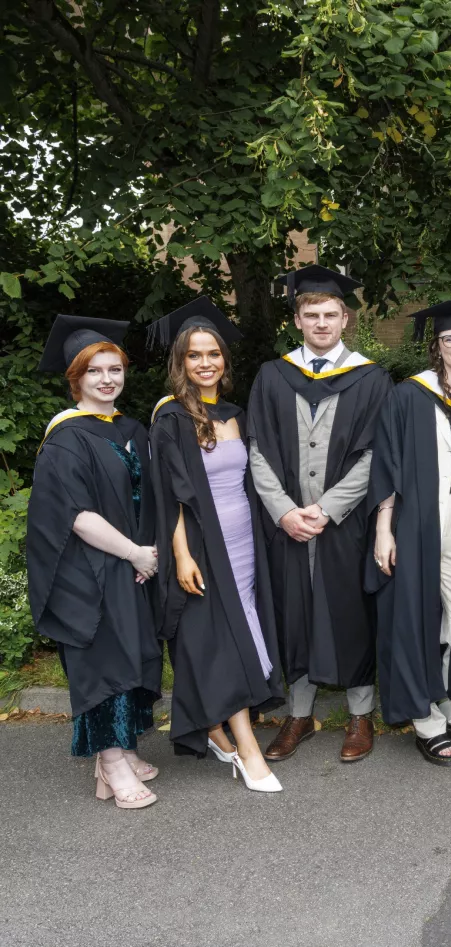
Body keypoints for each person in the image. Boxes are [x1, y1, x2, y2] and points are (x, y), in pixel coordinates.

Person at [248, 264, 393, 764]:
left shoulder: (372, 379)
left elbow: (377, 455)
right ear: (297, 320)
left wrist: (328, 510)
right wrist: (285, 512)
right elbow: (258, 451)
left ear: (346, 318)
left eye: (331, 314)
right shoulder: (272, 375)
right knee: (295, 616)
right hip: (286, 526)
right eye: (312, 315)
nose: (322, 323)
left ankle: (359, 715)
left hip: (345, 526)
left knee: (350, 615)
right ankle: (300, 713)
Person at [148, 297, 284, 793]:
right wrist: (182, 554)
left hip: (243, 544)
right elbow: (169, 499)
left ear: (225, 360)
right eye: (194, 355)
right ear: (180, 362)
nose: (206, 363)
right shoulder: (171, 419)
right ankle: (247, 750)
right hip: (203, 547)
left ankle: (215, 730)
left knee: (241, 631)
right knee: (222, 643)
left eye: (213, 354)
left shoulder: (234, 413)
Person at [28, 316, 162, 809]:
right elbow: (76, 516)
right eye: (94, 372)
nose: (107, 379)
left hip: (131, 565)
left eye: (115, 369)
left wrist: (147, 554)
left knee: (130, 654)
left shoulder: (131, 427)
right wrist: (134, 552)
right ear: (75, 379)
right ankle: (108, 761)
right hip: (89, 571)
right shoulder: (66, 438)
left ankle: (124, 750)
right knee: (102, 662)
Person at [367, 301, 451, 767]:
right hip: (418, 522)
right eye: (449, 339)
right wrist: (384, 530)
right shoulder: (408, 396)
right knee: (417, 617)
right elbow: (386, 464)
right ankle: (425, 718)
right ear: (436, 346)